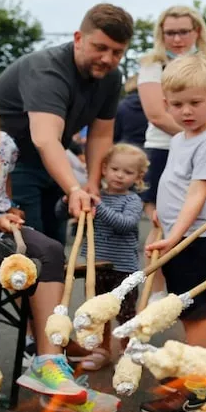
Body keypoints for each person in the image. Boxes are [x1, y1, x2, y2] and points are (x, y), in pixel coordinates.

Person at [0, 67, 120, 412]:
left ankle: (49, 361)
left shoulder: (4, 145)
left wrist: (10, 211)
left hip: (1, 226)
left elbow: (2, 194)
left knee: (48, 248)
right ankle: (42, 353)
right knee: (16, 260)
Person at [138, 55, 206, 412]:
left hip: (195, 241)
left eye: (195, 102)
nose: (186, 111)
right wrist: (161, 215)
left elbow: (198, 193)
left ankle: (199, 393)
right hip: (180, 237)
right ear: (166, 104)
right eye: (177, 104)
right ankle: (195, 381)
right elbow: (176, 184)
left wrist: (175, 236)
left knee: (195, 318)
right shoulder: (180, 139)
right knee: (187, 315)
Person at [0, 3, 134, 244]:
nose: (107, 59)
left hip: (53, 163)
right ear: (78, 38)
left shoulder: (112, 77)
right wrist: (73, 188)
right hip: (10, 165)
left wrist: (91, 182)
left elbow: (100, 135)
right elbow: (45, 138)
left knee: (55, 245)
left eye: (117, 52)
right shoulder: (47, 70)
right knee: (30, 247)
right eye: (100, 48)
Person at [137, 5, 206, 302]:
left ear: (197, 31)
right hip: (167, 145)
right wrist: (190, 137)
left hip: (204, 142)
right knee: (161, 225)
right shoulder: (152, 63)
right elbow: (157, 113)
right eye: (169, 32)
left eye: (183, 31)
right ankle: (156, 293)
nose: (176, 38)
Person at [73, 143, 147, 370]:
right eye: (115, 169)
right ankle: (101, 350)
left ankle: (128, 351)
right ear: (104, 169)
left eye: (128, 172)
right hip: (96, 266)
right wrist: (68, 201)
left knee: (125, 314)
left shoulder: (132, 201)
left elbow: (125, 224)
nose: (120, 175)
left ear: (137, 177)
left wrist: (100, 205)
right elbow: (67, 217)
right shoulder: (94, 195)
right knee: (98, 313)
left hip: (124, 269)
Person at [113, 75, 148, 147]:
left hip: (125, 148)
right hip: (150, 147)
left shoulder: (120, 107)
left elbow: (114, 134)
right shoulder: (155, 106)